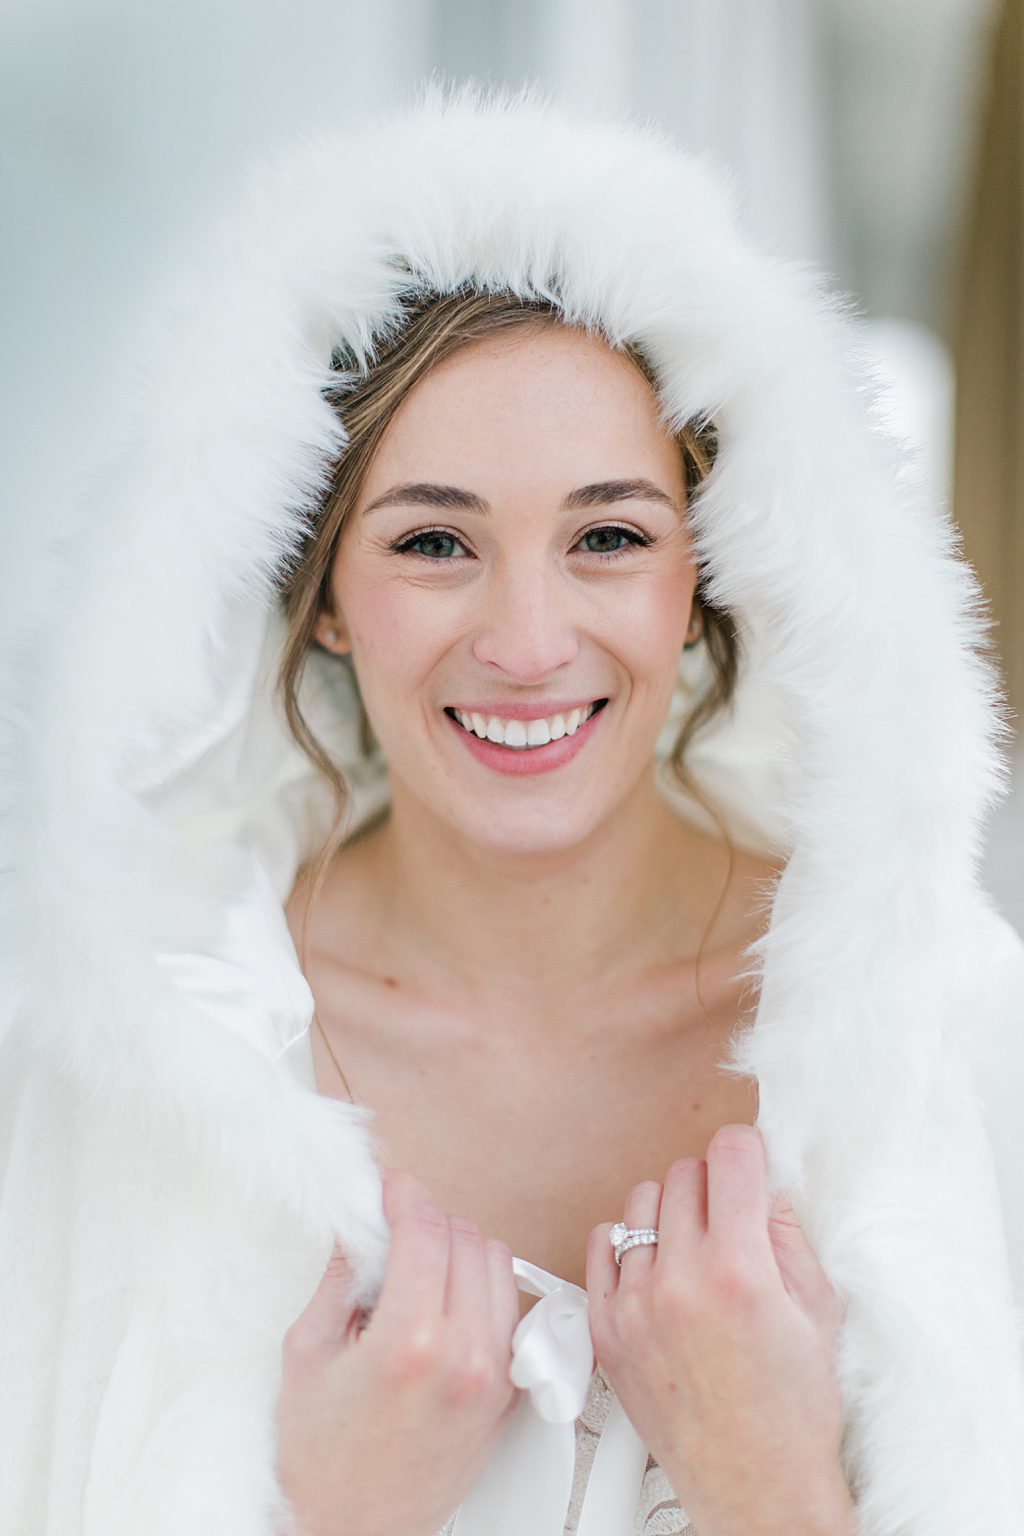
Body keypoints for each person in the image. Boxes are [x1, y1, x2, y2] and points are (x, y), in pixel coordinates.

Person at [2, 92, 1024, 1536]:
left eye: (609, 536)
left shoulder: (953, 1038)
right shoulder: (130, 1073)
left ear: (704, 577)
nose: (529, 641)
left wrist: (776, 1493)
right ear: (327, 600)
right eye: (434, 541)